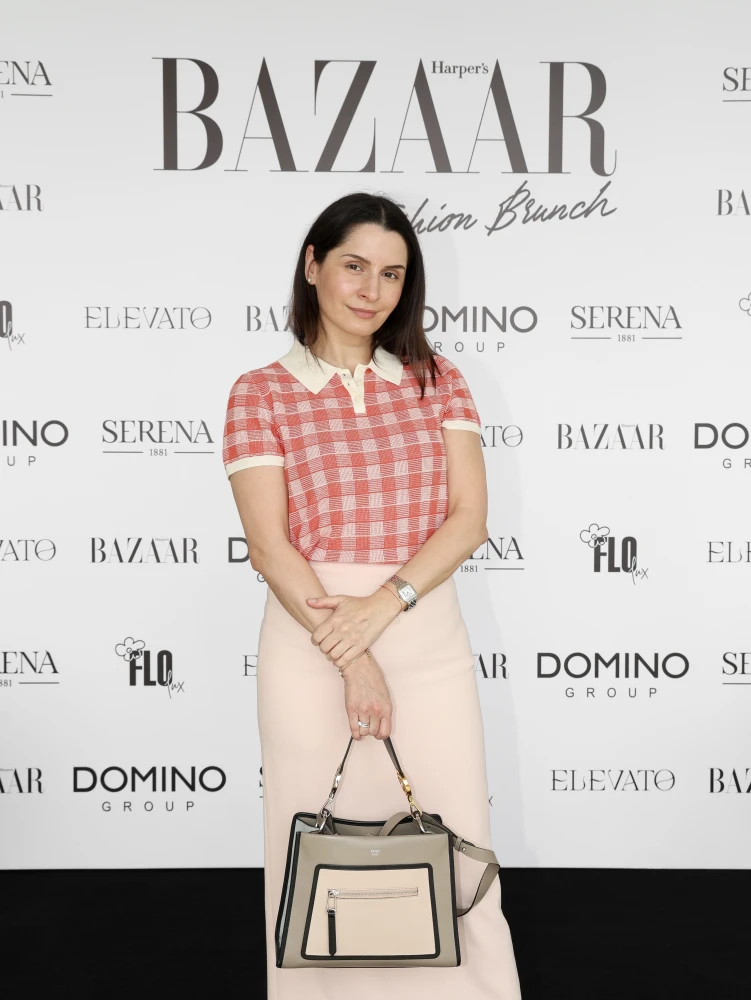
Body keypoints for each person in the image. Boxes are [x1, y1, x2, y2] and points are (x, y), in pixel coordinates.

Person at [222, 191, 522, 999]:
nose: (371, 289)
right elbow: (269, 546)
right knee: (311, 840)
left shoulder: (439, 380)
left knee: (453, 833)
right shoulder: (260, 391)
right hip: (310, 638)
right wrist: (353, 659)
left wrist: (383, 607)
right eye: (353, 266)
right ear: (312, 265)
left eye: (391, 274)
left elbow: (467, 521)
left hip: (424, 633)